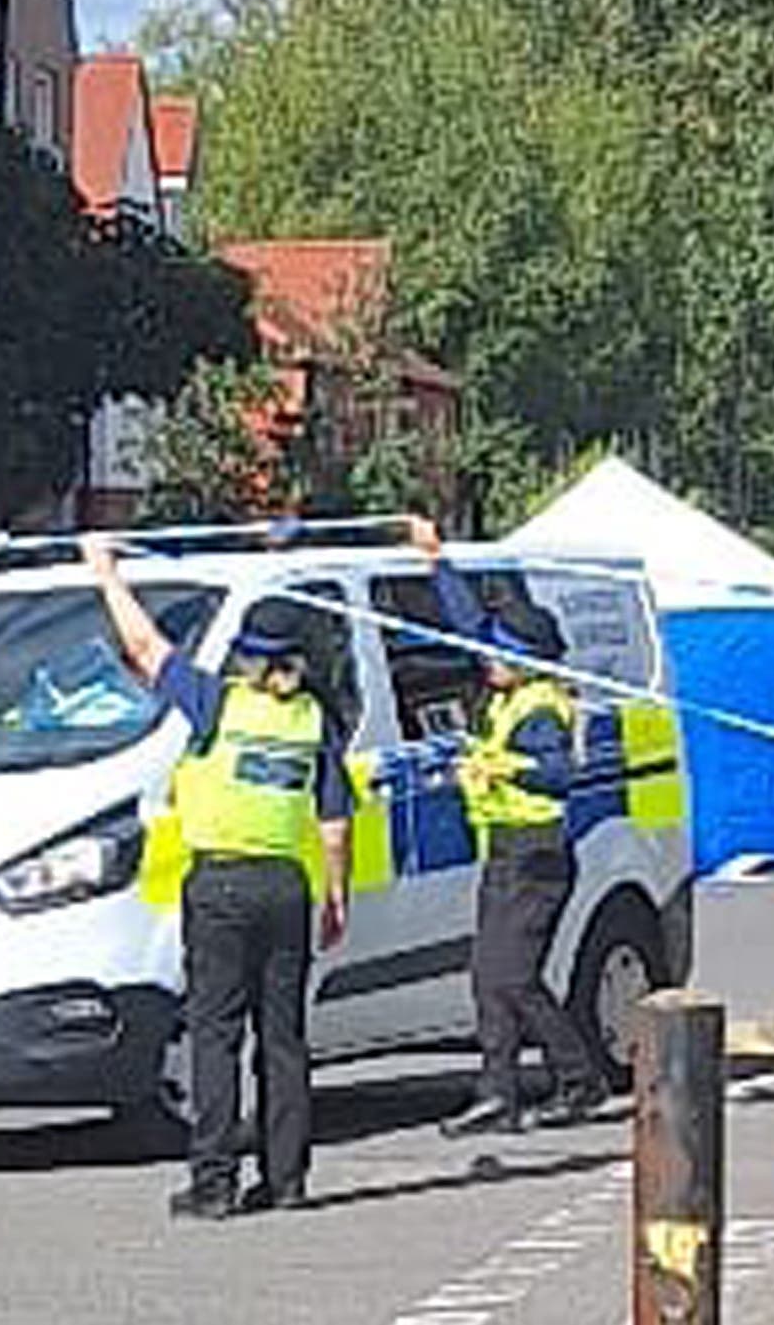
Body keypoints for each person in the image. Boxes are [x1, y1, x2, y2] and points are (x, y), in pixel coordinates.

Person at [79, 536, 352, 1221]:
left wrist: (105, 573)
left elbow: (143, 647)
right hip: (287, 888)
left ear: (248, 656)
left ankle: (214, 1181)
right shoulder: (314, 719)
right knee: (283, 1039)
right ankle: (286, 1178)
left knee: (215, 1034)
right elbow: (334, 823)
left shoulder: (218, 703)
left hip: (222, 886)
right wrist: (335, 894)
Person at [405, 516, 603, 1138]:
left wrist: (499, 765)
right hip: (505, 853)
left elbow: (558, 775)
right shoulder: (510, 690)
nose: (485, 660)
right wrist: (437, 562)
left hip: (537, 857)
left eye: (499, 654)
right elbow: (470, 628)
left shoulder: (541, 707)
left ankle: (579, 1079)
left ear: (524, 660)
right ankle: (497, 1093)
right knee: (488, 977)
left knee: (512, 977)